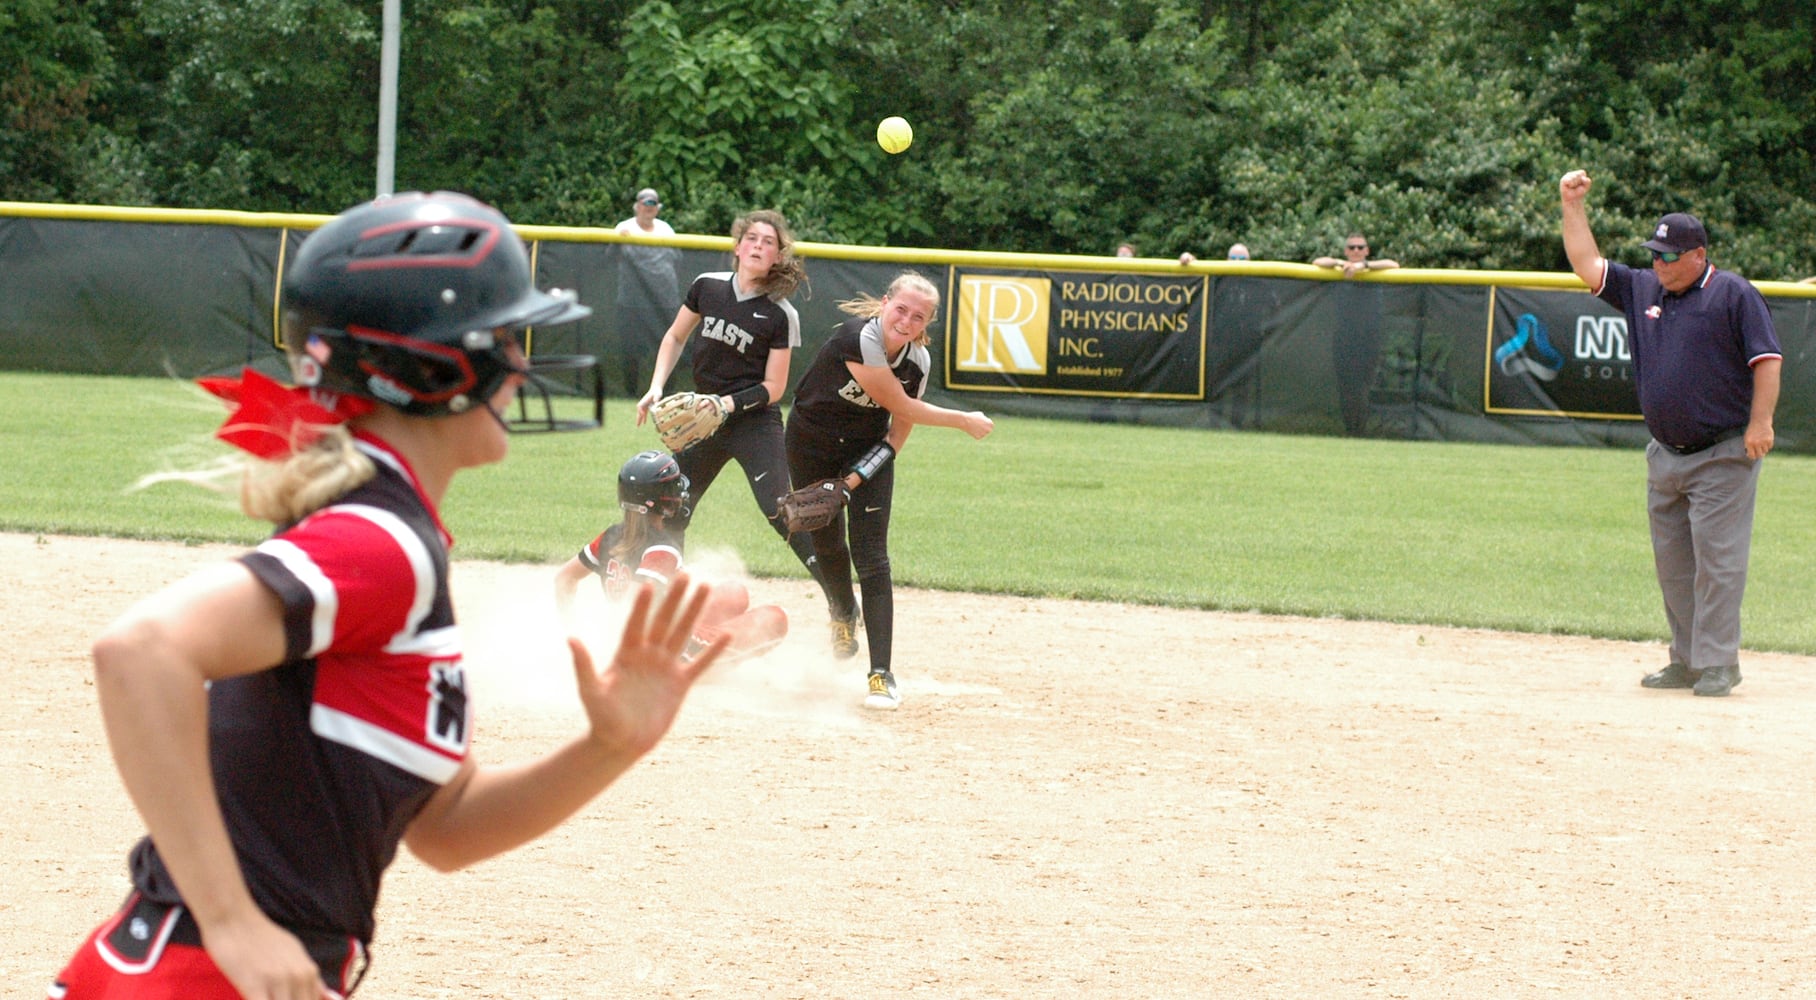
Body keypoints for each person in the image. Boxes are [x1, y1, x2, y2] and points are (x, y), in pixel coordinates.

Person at [48, 191, 729, 998]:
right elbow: (138, 650)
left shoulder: (403, 539)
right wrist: (229, 918)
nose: (521, 368)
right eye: (505, 340)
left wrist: (610, 747)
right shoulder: (385, 544)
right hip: (198, 973)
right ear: (433, 370)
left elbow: (446, 828)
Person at [1559, 169, 1783, 697]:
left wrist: (1761, 422)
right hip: (1665, 455)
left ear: (1698, 255)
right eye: (1654, 254)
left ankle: (1719, 662)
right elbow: (1586, 264)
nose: (1657, 263)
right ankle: (1685, 660)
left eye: (1667, 255)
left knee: (1718, 563)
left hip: (1723, 451)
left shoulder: (1733, 294)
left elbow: (1767, 360)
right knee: (1675, 567)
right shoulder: (1642, 288)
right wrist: (1572, 206)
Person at [784, 272, 994, 709]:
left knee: (873, 558)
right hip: (810, 441)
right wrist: (963, 420)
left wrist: (852, 481)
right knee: (826, 540)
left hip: (866, 451)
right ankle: (843, 613)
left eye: (918, 317)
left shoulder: (917, 362)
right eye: (901, 308)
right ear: (884, 304)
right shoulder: (856, 338)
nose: (906, 320)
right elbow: (902, 405)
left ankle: (881, 674)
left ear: (925, 325)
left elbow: (898, 432)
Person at [635, 209, 822, 584]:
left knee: (779, 510)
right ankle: (663, 597)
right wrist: (656, 386)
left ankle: (840, 599)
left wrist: (727, 404)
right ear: (737, 247)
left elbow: (774, 387)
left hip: (753, 422)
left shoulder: (781, 314)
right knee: (671, 508)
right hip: (703, 419)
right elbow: (674, 337)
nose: (758, 245)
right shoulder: (707, 286)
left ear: (777, 258)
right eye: (752, 238)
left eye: (769, 242)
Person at [554, 449, 787, 664]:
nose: (679, 492)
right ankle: (706, 667)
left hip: (642, 640)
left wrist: (571, 630)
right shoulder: (662, 549)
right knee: (776, 619)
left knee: (734, 594)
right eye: (673, 487)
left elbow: (564, 578)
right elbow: (638, 605)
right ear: (663, 499)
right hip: (671, 653)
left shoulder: (609, 536)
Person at [1313, 232, 1399, 435]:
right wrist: (1339, 263)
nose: (1356, 251)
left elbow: (1393, 265)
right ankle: (1351, 430)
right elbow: (1317, 262)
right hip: (1344, 339)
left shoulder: (1374, 269)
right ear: (1346, 250)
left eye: (1360, 247)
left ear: (1367, 250)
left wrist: (1364, 266)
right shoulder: (1339, 269)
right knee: (1346, 387)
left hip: (1370, 339)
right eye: (1352, 247)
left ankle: (1362, 430)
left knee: (1365, 386)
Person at [612, 188, 681, 397]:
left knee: (670, 345)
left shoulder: (666, 229)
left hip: (664, 299)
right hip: (632, 301)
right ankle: (630, 394)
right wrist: (620, 241)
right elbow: (610, 256)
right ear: (636, 206)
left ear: (658, 208)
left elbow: (676, 258)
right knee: (631, 350)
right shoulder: (623, 228)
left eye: (652, 204)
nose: (648, 208)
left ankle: (666, 393)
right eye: (644, 203)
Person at [1178, 243, 1249, 266]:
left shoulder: (1256, 278)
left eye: (1242, 258)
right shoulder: (1219, 277)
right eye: (1233, 258)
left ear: (1249, 261)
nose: (1237, 261)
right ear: (1227, 260)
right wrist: (1189, 258)